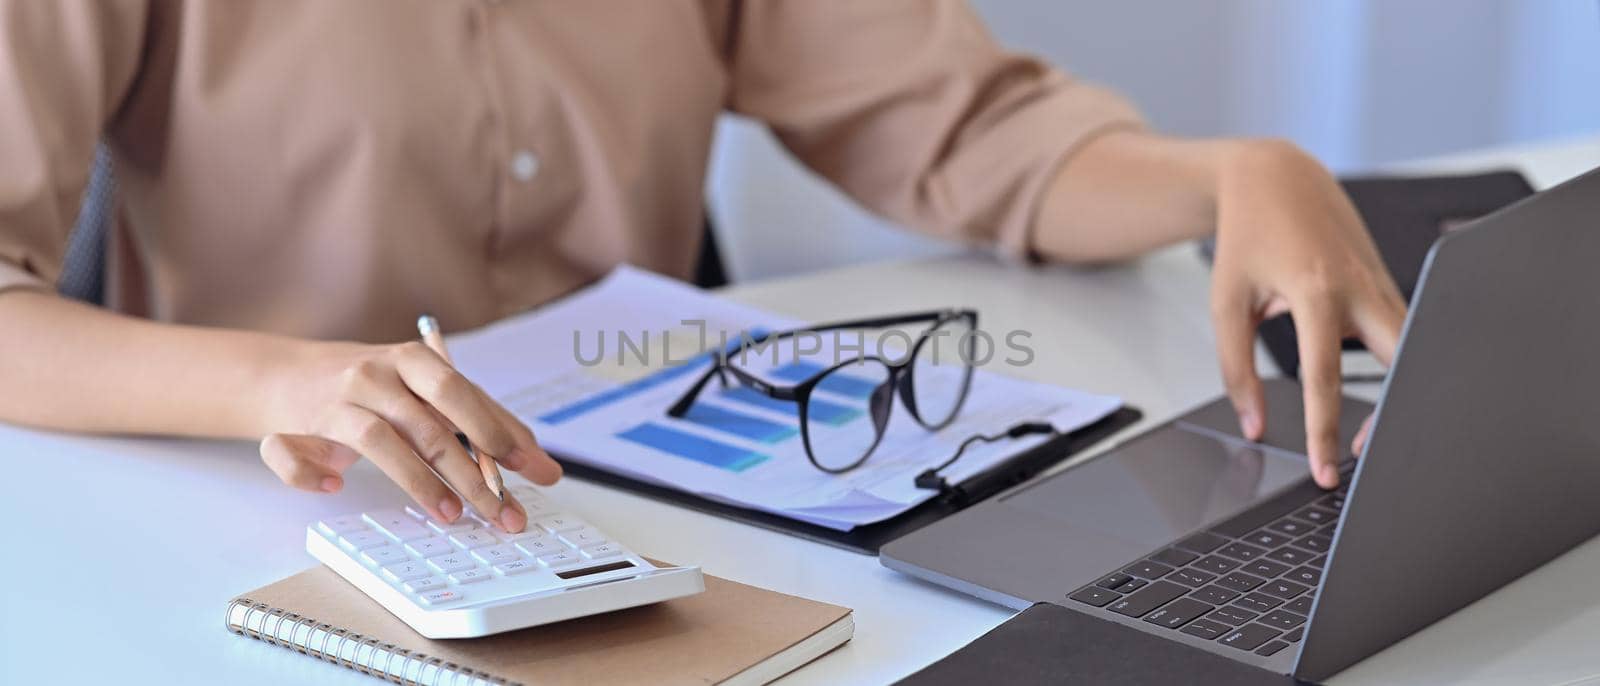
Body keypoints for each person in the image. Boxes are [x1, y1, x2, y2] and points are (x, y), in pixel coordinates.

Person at [0, 1, 1404, 533]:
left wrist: (1230, 175)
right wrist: (285, 382)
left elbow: (965, 130)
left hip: (640, 513)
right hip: (259, 527)